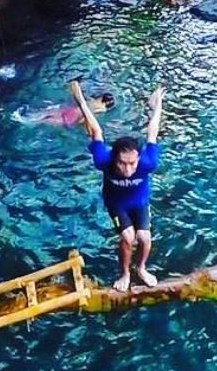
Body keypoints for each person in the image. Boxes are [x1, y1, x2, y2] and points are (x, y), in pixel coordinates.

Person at [69, 79, 165, 292]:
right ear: (115, 158)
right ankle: (125, 273)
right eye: (122, 163)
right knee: (127, 237)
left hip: (139, 202)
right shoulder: (104, 160)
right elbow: (96, 132)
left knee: (144, 238)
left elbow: (152, 132)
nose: (128, 169)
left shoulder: (148, 162)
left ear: (138, 159)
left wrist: (157, 105)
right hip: (116, 204)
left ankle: (141, 269)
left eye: (132, 163)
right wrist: (81, 102)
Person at [15, 93, 114, 126]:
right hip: (73, 118)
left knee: (42, 114)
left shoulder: (92, 99)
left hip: (69, 109)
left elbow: (76, 99)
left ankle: (20, 114)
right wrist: (78, 124)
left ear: (102, 97)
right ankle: (20, 121)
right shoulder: (101, 109)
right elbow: (87, 118)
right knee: (44, 121)